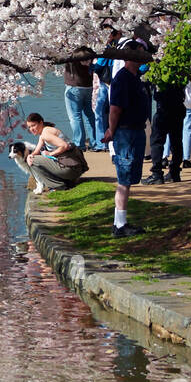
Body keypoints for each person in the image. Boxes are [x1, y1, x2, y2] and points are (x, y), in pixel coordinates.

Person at [102, 38, 152, 237]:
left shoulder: (135, 77)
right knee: (124, 177)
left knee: (130, 178)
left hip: (136, 130)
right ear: (129, 56)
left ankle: (120, 222)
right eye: (138, 53)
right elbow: (115, 109)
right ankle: (120, 226)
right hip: (126, 132)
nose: (142, 57)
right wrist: (111, 131)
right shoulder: (122, 78)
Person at [22, 114, 89, 193]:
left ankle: (58, 185)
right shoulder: (44, 133)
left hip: (71, 169)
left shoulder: (46, 134)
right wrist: (30, 155)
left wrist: (50, 154)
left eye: (33, 125)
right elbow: (36, 151)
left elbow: (64, 146)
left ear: (40, 122)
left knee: (33, 161)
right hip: (74, 168)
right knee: (32, 158)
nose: (31, 129)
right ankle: (67, 182)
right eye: (29, 127)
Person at [145, 79, 185, 183]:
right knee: (176, 141)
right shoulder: (180, 72)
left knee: (157, 141)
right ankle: (174, 172)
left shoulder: (161, 71)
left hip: (164, 107)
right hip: (178, 106)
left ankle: (157, 173)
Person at [62, 46, 98, 150]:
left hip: (74, 87)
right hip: (89, 87)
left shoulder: (73, 53)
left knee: (75, 117)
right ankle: (94, 143)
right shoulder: (91, 52)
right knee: (90, 116)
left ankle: (79, 144)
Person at [92, 22, 119, 151]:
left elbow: (99, 66)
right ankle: (107, 141)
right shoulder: (116, 47)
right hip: (111, 83)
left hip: (107, 83)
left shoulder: (108, 48)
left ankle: (101, 142)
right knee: (108, 112)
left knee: (100, 111)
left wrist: (92, 67)